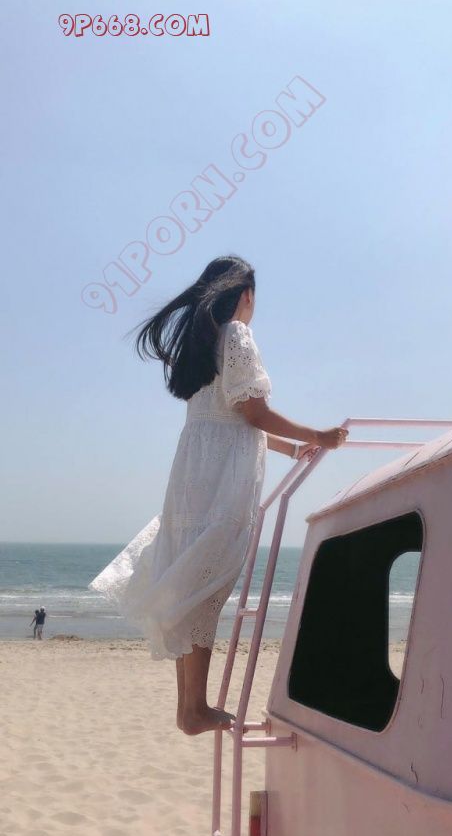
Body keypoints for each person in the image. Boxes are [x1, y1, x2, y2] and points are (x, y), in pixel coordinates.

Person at [88, 255, 348, 735]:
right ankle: (194, 708)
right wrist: (319, 435)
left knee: (190, 579)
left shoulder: (202, 344)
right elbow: (253, 413)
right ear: (245, 294)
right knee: (206, 584)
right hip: (222, 476)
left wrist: (293, 449)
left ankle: (189, 707)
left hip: (193, 472)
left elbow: (234, 418)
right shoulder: (236, 335)